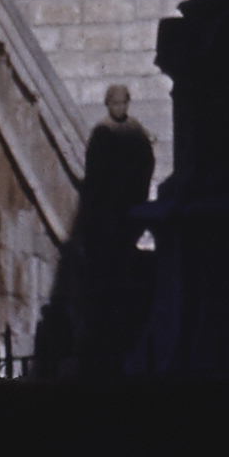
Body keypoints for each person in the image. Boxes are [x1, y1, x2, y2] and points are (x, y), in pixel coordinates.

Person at [66, 81, 160, 380]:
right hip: (109, 209)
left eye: (123, 102)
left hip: (129, 204)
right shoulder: (102, 132)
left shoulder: (135, 130)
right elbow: (95, 173)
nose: (120, 107)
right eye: (115, 103)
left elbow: (146, 162)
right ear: (108, 104)